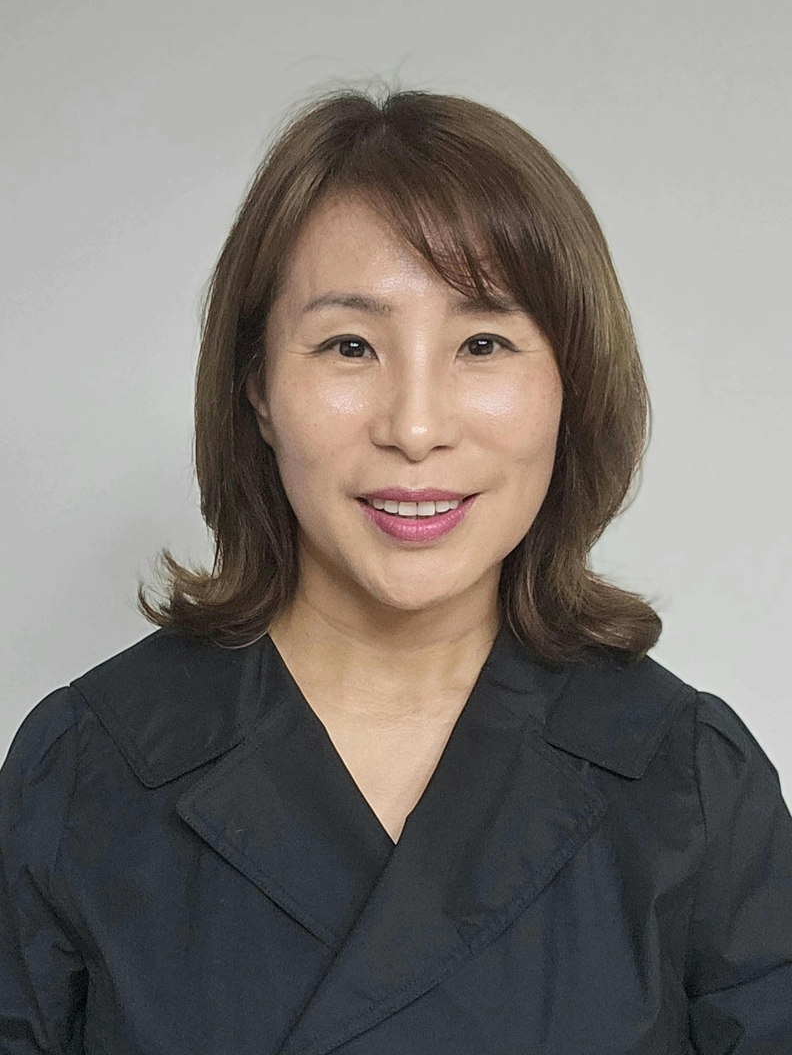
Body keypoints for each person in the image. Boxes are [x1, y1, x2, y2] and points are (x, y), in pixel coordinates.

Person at [1, 83, 790, 1054]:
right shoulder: (82, 773)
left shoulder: (690, 783)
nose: (415, 428)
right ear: (257, 389)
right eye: (350, 345)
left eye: (483, 343)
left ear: (571, 383)